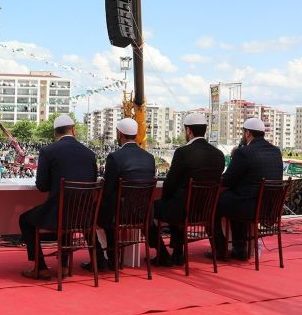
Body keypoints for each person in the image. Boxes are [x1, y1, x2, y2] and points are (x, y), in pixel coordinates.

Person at [18, 114, 98, 280]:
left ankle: (40, 268)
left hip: (59, 214)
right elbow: (91, 183)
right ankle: (64, 265)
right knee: (68, 212)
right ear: (74, 130)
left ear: (55, 133)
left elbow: (42, 186)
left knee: (25, 220)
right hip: (83, 216)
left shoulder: (48, 151)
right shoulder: (90, 154)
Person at [148, 113, 225, 267]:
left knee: (153, 209)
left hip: (184, 210)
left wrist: (166, 200)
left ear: (188, 131)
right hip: (207, 210)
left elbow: (170, 184)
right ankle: (177, 252)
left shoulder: (183, 153)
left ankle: (166, 254)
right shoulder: (219, 155)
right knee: (176, 204)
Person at [81, 118, 155, 271]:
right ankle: (110, 259)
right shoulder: (149, 157)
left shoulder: (115, 157)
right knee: (109, 209)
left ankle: (104, 259)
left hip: (119, 215)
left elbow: (108, 191)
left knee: (89, 212)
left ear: (119, 133)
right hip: (143, 214)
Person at [212, 117, 283, 260]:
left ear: (247, 133)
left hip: (250, 207)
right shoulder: (276, 152)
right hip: (269, 208)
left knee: (213, 204)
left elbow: (228, 180)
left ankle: (221, 250)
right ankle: (239, 249)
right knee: (234, 200)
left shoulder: (244, 152)